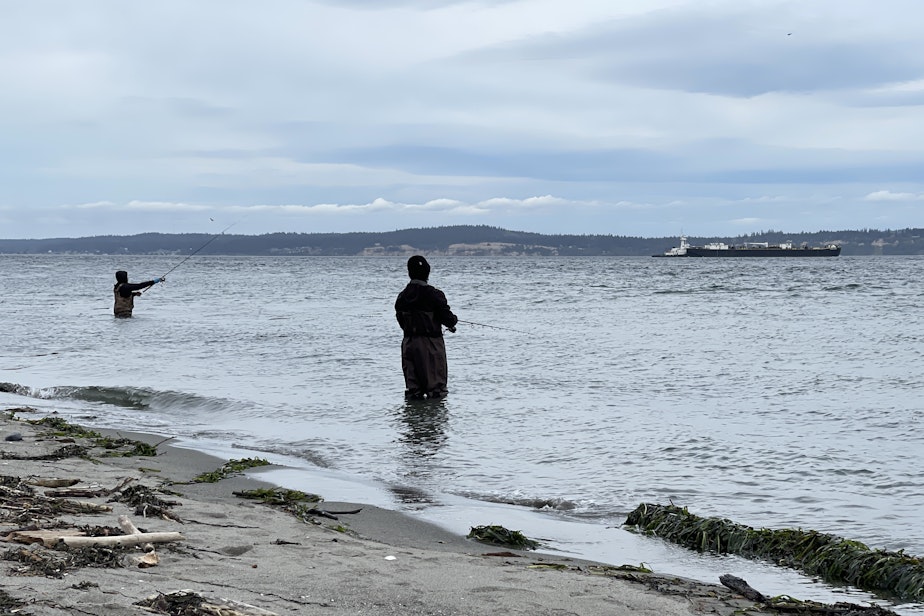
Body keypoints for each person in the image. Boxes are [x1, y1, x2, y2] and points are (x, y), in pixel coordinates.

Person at [395, 255, 458, 400]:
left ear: (409, 272)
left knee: (413, 391)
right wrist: (454, 320)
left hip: (408, 344)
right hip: (431, 346)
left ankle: (414, 421)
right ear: (427, 273)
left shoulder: (402, 297)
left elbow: (401, 322)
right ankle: (432, 420)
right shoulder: (434, 295)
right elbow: (449, 320)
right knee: (436, 391)